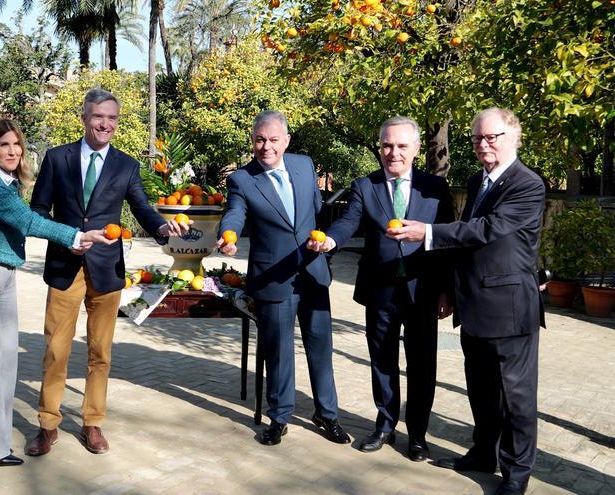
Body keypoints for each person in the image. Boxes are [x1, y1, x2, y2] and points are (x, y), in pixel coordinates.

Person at [388, 108, 545, 495]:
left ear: (513, 137)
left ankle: (516, 473)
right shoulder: (478, 182)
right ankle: (482, 453)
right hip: (474, 304)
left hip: (510, 307)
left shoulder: (527, 183)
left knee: (516, 398)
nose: (483, 144)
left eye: (492, 137)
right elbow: (467, 246)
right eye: (477, 138)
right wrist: (448, 288)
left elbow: (488, 229)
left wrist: (428, 232)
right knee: (481, 388)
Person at [26, 89, 188, 456]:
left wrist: (162, 228)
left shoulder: (126, 165)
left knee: (101, 352)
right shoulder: (57, 158)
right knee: (55, 350)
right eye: (99, 117)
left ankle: (92, 423)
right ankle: (48, 425)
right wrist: (67, 236)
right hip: (66, 264)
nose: (105, 124)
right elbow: (37, 210)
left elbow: (142, 207)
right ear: (84, 118)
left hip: (106, 268)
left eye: (112, 118)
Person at [0, 119, 115, 467]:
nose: (12, 151)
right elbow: (28, 222)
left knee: (5, 363)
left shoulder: (8, 184)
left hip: (4, 275)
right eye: (3, 145)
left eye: (16, 145)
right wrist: (78, 237)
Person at [214, 110, 350, 446]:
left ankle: (327, 414)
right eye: (260, 139)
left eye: (274, 140)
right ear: (252, 140)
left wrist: (324, 244)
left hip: (313, 272)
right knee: (278, 352)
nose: (266, 147)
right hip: (272, 278)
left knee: (321, 347)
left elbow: (315, 210)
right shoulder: (243, 179)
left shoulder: (304, 166)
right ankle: (279, 417)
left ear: (286, 141)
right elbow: (234, 212)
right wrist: (228, 234)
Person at [322, 116, 454, 461]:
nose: (393, 153)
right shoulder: (365, 185)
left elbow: (446, 245)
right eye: (386, 146)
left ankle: (418, 435)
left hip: (422, 290)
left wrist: (446, 290)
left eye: (400, 146)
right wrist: (330, 242)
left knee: (423, 364)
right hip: (379, 289)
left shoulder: (435, 188)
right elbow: (349, 222)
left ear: (415, 149)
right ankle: (384, 425)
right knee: (382, 360)